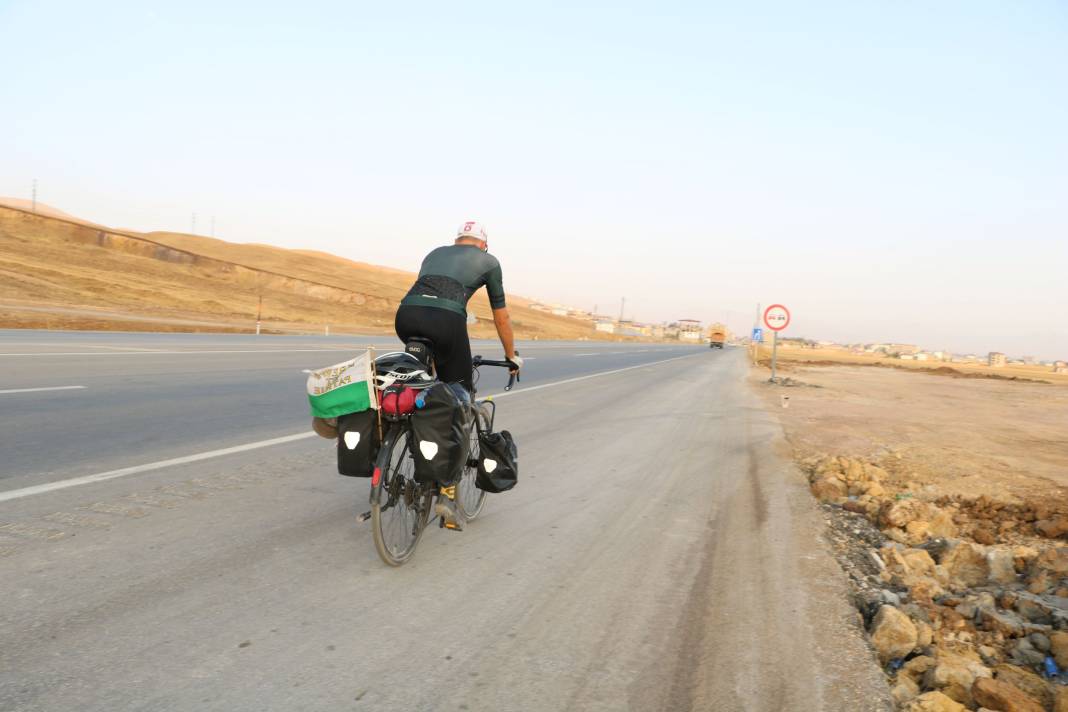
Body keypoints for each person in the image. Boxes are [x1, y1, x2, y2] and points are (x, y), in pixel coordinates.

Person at [394, 221, 522, 530]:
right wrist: (511, 355)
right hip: (447, 322)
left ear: (456, 241)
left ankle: (408, 438)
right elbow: (500, 316)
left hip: (406, 317)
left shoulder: (435, 252)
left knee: (422, 388)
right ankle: (446, 491)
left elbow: (428, 292)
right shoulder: (489, 262)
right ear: (483, 245)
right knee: (460, 398)